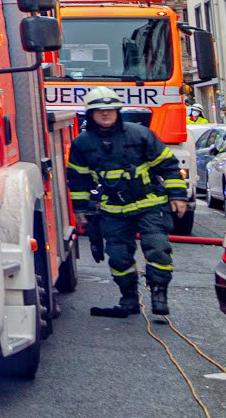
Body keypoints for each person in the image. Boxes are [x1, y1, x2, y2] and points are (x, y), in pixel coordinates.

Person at [67, 87, 188, 317]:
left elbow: (169, 166)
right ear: (90, 114)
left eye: (109, 109)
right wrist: (81, 210)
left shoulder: (139, 135)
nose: (105, 114)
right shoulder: (82, 144)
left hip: (149, 204)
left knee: (158, 249)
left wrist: (178, 197)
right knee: (119, 257)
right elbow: (78, 179)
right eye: (99, 110)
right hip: (113, 210)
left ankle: (159, 294)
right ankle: (129, 299)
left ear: (117, 111)